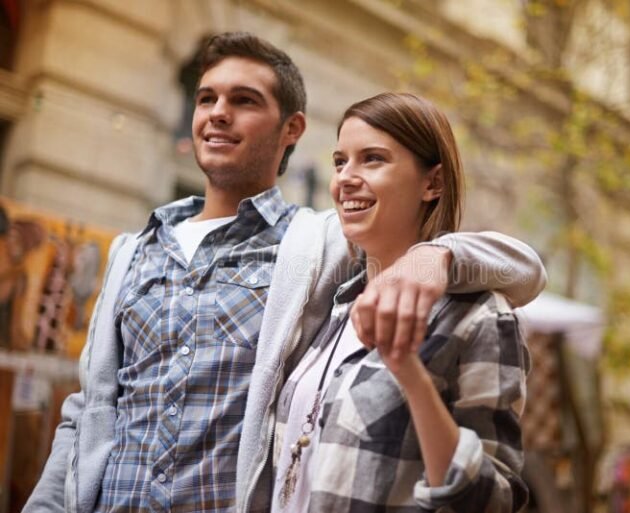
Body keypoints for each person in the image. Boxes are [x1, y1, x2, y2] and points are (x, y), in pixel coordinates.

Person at [23, 33, 546, 513]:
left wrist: (435, 257)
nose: (218, 113)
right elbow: (89, 409)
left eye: (244, 100)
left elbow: (521, 268)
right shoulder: (130, 252)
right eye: (206, 98)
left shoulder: (317, 243)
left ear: (291, 128)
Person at [268, 93, 530, 512]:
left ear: (433, 184)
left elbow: (496, 500)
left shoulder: (478, 317)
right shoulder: (333, 306)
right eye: (340, 162)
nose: (345, 178)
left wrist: (411, 376)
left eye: (372, 159)